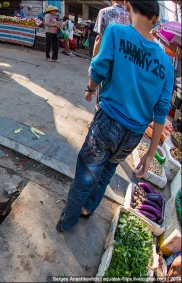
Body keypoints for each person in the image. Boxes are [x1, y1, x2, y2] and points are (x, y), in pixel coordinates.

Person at [56, 0, 174, 233]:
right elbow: (161, 112)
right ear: (155, 20)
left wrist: (90, 89)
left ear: (128, 7)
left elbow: (98, 71)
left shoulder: (116, 33)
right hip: (135, 134)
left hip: (108, 121)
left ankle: (68, 221)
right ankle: (88, 209)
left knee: (86, 173)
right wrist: (150, 154)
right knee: (108, 170)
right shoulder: (166, 64)